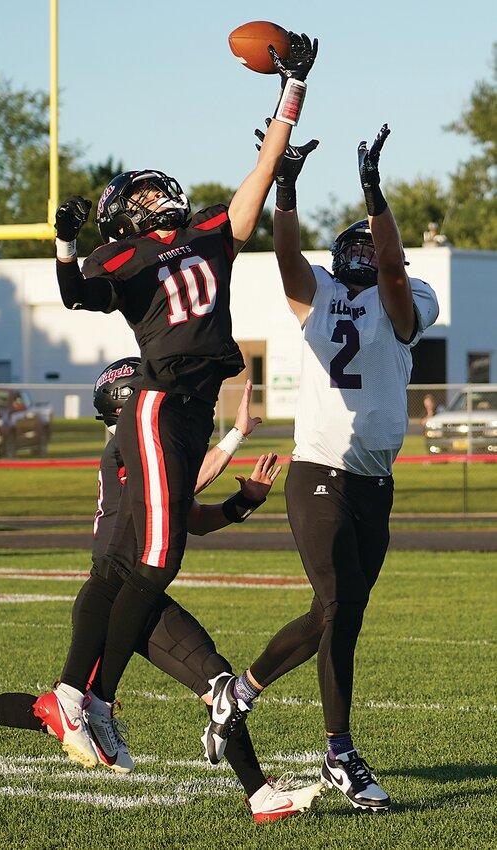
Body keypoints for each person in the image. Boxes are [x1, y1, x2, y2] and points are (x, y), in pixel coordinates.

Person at [38, 30, 319, 770]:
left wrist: (290, 88)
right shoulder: (122, 256)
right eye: (139, 194)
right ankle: (89, 698)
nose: (156, 195)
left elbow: (259, 175)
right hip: (158, 404)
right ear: (120, 216)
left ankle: (74, 691)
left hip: (194, 407)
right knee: (157, 561)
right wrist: (64, 245)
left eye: (157, 188)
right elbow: (74, 296)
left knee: (127, 567)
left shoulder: (208, 236)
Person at [0, 356, 325, 822]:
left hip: (139, 593)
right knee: (63, 714)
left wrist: (243, 503)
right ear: (130, 403)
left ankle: (260, 795)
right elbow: (182, 484)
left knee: (217, 682)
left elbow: (192, 519)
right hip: (112, 593)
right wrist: (235, 434)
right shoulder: (126, 450)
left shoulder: (146, 448)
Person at [202, 123, 439, 813]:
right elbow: (283, 256)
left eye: (373, 240)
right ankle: (340, 752)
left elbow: (394, 275)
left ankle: (237, 693)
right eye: (356, 242)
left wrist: (373, 195)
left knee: (336, 613)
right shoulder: (320, 295)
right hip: (318, 477)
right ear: (340, 256)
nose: (366, 249)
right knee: (339, 608)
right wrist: (285, 186)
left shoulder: (405, 293)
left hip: (373, 484)